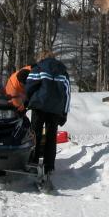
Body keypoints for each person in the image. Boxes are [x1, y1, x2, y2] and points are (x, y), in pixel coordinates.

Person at [25, 51, 71, 184]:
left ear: (41, 57)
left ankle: (33, 162)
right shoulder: (62, 70)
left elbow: (30, 86)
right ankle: (49, 165)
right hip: (55, 109)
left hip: (39, 106)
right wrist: (65, 112)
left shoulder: (38, 68)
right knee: (51, 137)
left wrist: (28, 101)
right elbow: (67, 93)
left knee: (35, 134)